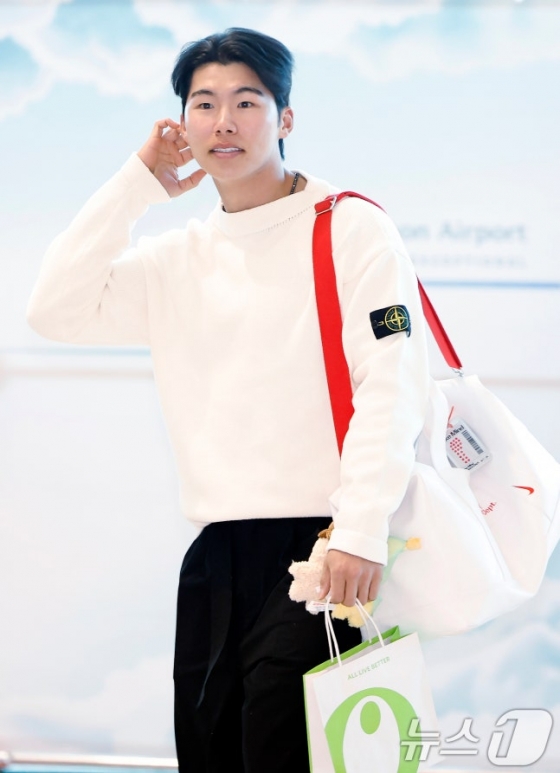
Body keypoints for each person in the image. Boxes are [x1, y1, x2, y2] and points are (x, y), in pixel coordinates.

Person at [27, 27, 430, 773]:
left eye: (247, 101)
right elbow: (53, 308)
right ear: (181, 124)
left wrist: (361, 529)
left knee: (287, 752)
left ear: (284, 118)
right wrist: (137, 183)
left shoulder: (348, 226)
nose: (224, 122)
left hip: (324, 552)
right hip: (216, 555)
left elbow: (393, 380)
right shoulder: (178, 259)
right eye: (204, 104)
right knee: (211, 752)